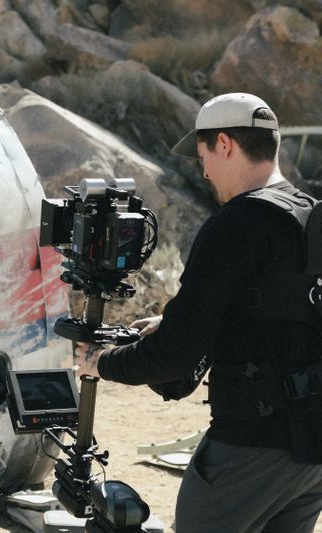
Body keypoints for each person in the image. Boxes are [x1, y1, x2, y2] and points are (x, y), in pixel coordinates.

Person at [74, 93, 322, 532]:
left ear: (224, 144)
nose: (204, 170)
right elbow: (281, 314)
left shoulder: (235, 224)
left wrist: (102, 362)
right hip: (312, 451)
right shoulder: (308, 215)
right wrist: (173, 321)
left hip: (250, 444)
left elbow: (175, 356)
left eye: (204, 154)